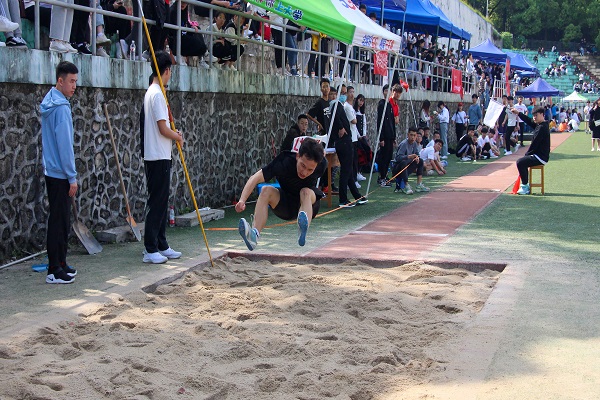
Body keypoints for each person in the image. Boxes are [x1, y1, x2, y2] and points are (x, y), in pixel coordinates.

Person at [236, 138, 327, 250]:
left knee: (305, 192)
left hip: (308, 204)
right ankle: (254, 236)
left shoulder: (321, 165)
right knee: (266, 190)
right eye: (303, 166)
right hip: (286, 206)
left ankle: (303, 227)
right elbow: (255, 178)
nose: (305, 172)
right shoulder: (284, 162)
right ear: (297, 156)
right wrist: (242, 200)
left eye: (310, 170)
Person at [142, 51, 183, 264]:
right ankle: (150, 248)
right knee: (157, 202)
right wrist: (177, 136)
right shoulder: (157, 94)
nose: (170, 75)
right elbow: (162, 128)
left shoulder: (154, 92)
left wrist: (174, 134)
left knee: (161, 200)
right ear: (166, 71)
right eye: (170, 71)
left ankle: (161, 244)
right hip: (157, 155)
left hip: (158, 154)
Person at [41, 61, 80, 284]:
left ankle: (61, 263)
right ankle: (54, 269)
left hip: (52, 170)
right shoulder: (61, 108)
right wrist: (71, 176)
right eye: (71, 81)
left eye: (75, 81)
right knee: (58, 222)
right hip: (60, 174)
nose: (74, 86)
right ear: (60, 81)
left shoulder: (50, 101)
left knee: (61, 220)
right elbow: (65, 146)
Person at [331, 86, 367, 207]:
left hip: (347, 140)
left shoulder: (341, 105)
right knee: (346, 171)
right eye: (342, 93)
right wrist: (341, 127)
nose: (344, 95)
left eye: (345, 93)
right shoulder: (336, 105)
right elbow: (335, 117)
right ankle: (343, 199)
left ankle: (357, 196)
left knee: (349, 170)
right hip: (343, 142)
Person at [511, 107, 550, 195]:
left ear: (542, 114)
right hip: (539, 155)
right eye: (533, 116)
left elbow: (534, 144)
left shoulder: (542, 127)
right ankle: (525, 185)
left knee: (520, 162)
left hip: (540, 157)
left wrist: (527, 155)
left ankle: (525, 186)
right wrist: (518, 113)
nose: (534, 118)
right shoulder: (540, 125)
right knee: (522, 161)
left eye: (536, 115)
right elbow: (529, 121)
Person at [392, 127, 429, 195]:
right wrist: (409, 156)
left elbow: (417, 154)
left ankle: (419, 184)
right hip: (398, 168)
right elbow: (397, 158)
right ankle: (406, 185)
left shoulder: (414, 143)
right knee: (403, 162)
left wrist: (417, 157)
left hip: (408, 166)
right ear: (408, 135)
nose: (412, 137)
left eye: (414, 135)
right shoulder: (404, 144)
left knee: (420, 161)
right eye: (411, 135)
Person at [376, 84, 397, 187]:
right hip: (384, 136)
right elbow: (380, 122)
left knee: (389, 156)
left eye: (389, 91)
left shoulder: (389, 105)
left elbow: (392, 122)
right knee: (383, 157)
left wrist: (394, 137)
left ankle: (385, 176)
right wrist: (381, 138)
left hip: (390, 136)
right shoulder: (381, 105)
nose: (388, 93)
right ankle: (382, 177)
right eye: (386, 91)